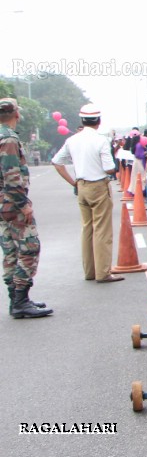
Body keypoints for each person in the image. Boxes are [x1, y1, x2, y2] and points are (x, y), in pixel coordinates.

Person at [52, 104, 121, 283]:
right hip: (98, 185)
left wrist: (73, 182)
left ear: (82, 120)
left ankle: (90, 271)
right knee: (102, 230)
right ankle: (103, 272)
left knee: (87, 228)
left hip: (81, 185)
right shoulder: (101, 140)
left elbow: (57, 162)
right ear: (99, 121)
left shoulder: (73, 140)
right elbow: (109, 168)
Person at [0, 98, 51, 318]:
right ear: (16, 114)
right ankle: (20, 298)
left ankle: (16, 300)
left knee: (10, 251)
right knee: (29, 247)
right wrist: (23, 204)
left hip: (2, 202)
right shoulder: (9, 138)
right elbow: (11, 175)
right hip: (12, 202)